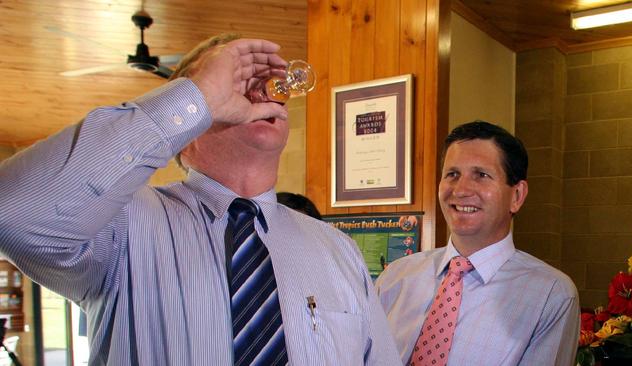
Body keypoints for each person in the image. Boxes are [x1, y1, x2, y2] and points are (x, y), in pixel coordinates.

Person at [0, 36, 400, 365]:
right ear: (187, 126)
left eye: (266, 85)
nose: (261, 94)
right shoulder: (123, 223)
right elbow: (14, 214)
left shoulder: (337, 250)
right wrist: (198, 95)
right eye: (234, 85)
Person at [376, 121, 579, 365]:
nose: (461, 190)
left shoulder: (551, 295)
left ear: (517, 196)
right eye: (452, 174)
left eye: (481, 175)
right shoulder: (395, 277)